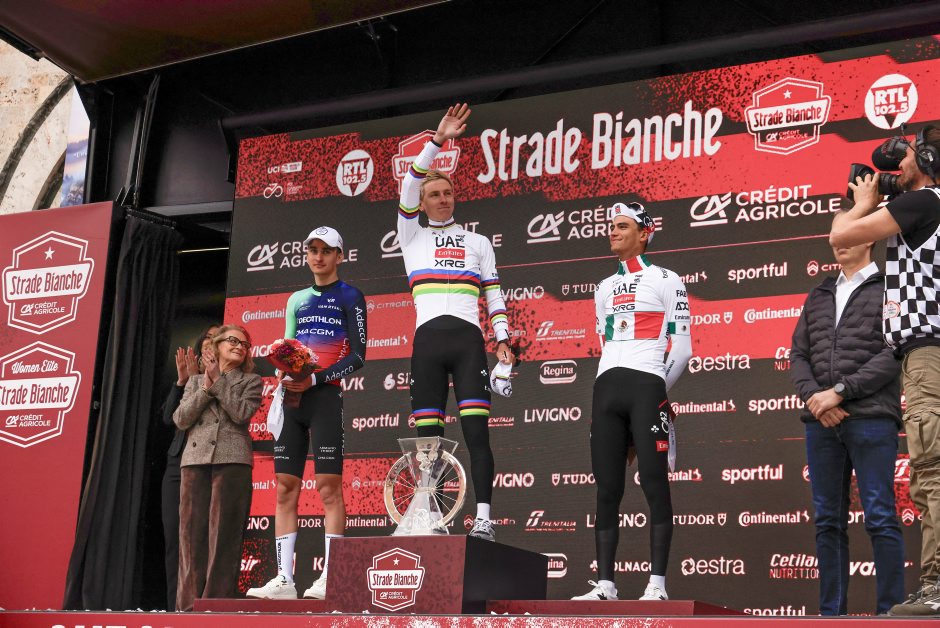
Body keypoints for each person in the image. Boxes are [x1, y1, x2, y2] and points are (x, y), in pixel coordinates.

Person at [830, 126, 940, 617]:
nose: (900, 162)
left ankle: (938, 585)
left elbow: (841, 236)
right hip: (926, 352)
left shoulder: (925, 202)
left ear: (929, 159)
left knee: (932, 470)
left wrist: (863, 202)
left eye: (909, 153)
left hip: (929, 354)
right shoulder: (924, 205)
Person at [397, 103, 515, 542]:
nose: (442, 199)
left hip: (468, 341)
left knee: (476, 433)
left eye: (447, 192)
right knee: (428, 440)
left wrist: (502, 338)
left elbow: (493, 292)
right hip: (427, 341)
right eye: (434, 194)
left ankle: (483, 518)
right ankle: (429, 515)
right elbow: (409, 182)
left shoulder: (478, 242)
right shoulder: (411, 235)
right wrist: (437, 141)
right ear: (422, 202)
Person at [573, 202, 692, 602]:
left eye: (622, 226)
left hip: (647, 385)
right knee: (607, 489)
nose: (613, 232)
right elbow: (604, 343)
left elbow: (683, 348)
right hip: (606, 389)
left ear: (644, 233)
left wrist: (656, 389)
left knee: (654, 483)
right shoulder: (603, 287)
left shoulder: (667, 279)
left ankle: (657, 585)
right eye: (612, 226)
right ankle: (605, 584)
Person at [246, 226, 367, 600]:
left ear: (339, 256)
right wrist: (283, 373)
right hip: (292, 400)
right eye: (313, 250)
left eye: (326, 250)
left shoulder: (350, 295)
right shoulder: (296, 299)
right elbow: (288, 347)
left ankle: (331, 577)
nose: (318, 256)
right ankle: (284, 579)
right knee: (285, 488)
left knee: (328, 487)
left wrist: (315, 379)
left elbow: (358, 355)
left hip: (325, 398)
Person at [790, 239, 903, 615]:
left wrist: (839, 393)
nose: (837, 242)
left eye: (846, 235)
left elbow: (894, 351)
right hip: (820, 422)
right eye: (833, 237)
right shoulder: (819, 292)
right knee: (827, 521)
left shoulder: (891, 287)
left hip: (872, 417)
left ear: (868, 238)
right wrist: (816, 399)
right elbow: (799, 354)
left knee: (880, 516)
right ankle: (831, 615)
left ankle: (891, 614)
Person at [174, 325, 262, 611]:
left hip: (232, 462)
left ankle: (215, 607)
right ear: (217, 345)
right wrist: (206, 385)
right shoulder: (195, 381)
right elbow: (181, 419)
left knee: (225, 537)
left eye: (245, 344)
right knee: (190, 538)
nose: (240, 346)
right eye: (233, 341)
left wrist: (219, 381)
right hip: (194, 462)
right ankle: (187, 607)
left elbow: (241, 413)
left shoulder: (251, 381)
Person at [161, 324, 218, 610]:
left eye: (217, 338)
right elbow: (168, 419)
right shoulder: (189, 379)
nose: (211, 342)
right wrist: (183, 382)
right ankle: (175, 608)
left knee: (202, 541)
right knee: (175, 539)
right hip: (177, 465)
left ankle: (201, 608)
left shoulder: (225, 380)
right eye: (207, 338)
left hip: (207, 466)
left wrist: (205, 382)